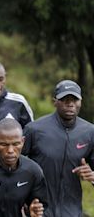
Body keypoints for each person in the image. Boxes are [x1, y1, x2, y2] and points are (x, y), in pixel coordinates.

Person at [22, 80, 94, 217]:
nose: (70, 103)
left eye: (74, 99)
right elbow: (15, 165)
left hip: (72, 211)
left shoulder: (90, 132)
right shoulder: (34, 130)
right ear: (55, 101)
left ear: (81, 101)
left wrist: (92, 176)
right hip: (39, 210)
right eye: (64, 99)